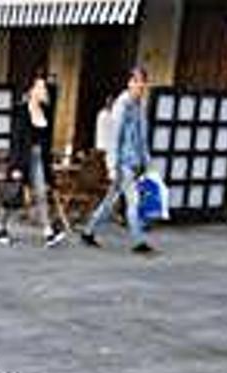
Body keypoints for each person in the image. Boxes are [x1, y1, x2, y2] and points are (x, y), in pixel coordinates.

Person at [81, 67, 155, 254]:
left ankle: (88, 231)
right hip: (123, 164)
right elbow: (114, 138)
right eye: (137, 81)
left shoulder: (140, 105)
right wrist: (112, 166)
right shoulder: (122, 105)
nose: (140, 85)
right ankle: (139, 242)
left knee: (109, 202)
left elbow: (142, 137)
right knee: (133, 201)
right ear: (129, 82)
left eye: (143, 81)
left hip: (135, 162)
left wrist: (146, 161)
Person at [24, 71, 65, 248]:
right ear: (32, 90)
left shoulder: (45, 113)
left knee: (41, 193)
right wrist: (16, 166)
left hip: (39, 158)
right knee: (13, 196)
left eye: (44, 87)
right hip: (25, 157)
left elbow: (46, 145)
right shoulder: (22, 110)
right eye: (40, 86)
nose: (43, 90)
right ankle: (1, 227)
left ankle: (48, 232)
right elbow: (17, 140)